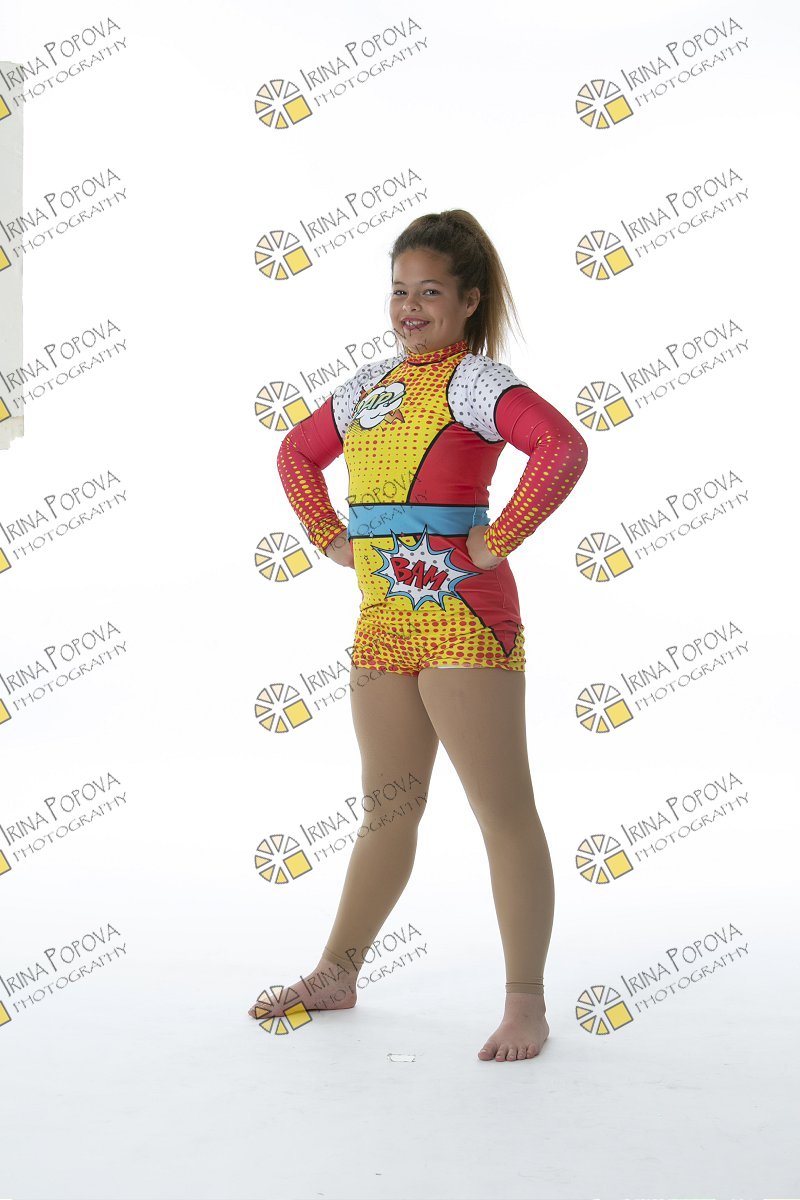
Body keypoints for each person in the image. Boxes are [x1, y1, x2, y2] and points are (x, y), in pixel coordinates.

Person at [249, 209, 589, 1062]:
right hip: (382, 625)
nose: (409, 307)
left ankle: (526, 1003)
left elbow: (561, 448)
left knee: (501, 811)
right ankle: (337, 973)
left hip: (463, 622)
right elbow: (295, 454)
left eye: (430, 292)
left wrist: (498, 539)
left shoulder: (476, 384)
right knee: (388, 812)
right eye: (399, 290)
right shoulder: (366, 385)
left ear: (469, 301)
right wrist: (327, 535)